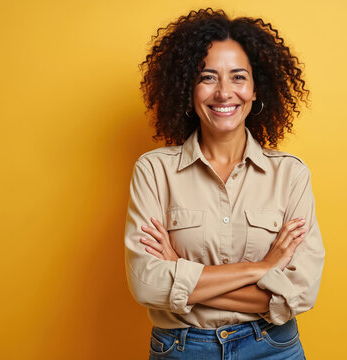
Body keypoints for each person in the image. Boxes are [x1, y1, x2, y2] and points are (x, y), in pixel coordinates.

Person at [124, 8, 325, 359]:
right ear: (188, 87)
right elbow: (146, 284)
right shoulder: (154, 171)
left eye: (238, 77)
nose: (223, 92)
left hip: (273, 347)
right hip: (183, 348)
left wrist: (182, 273)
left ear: (255, 88)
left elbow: (300, 294)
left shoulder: (291, 175)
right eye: (207, 77)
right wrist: (261, 269)